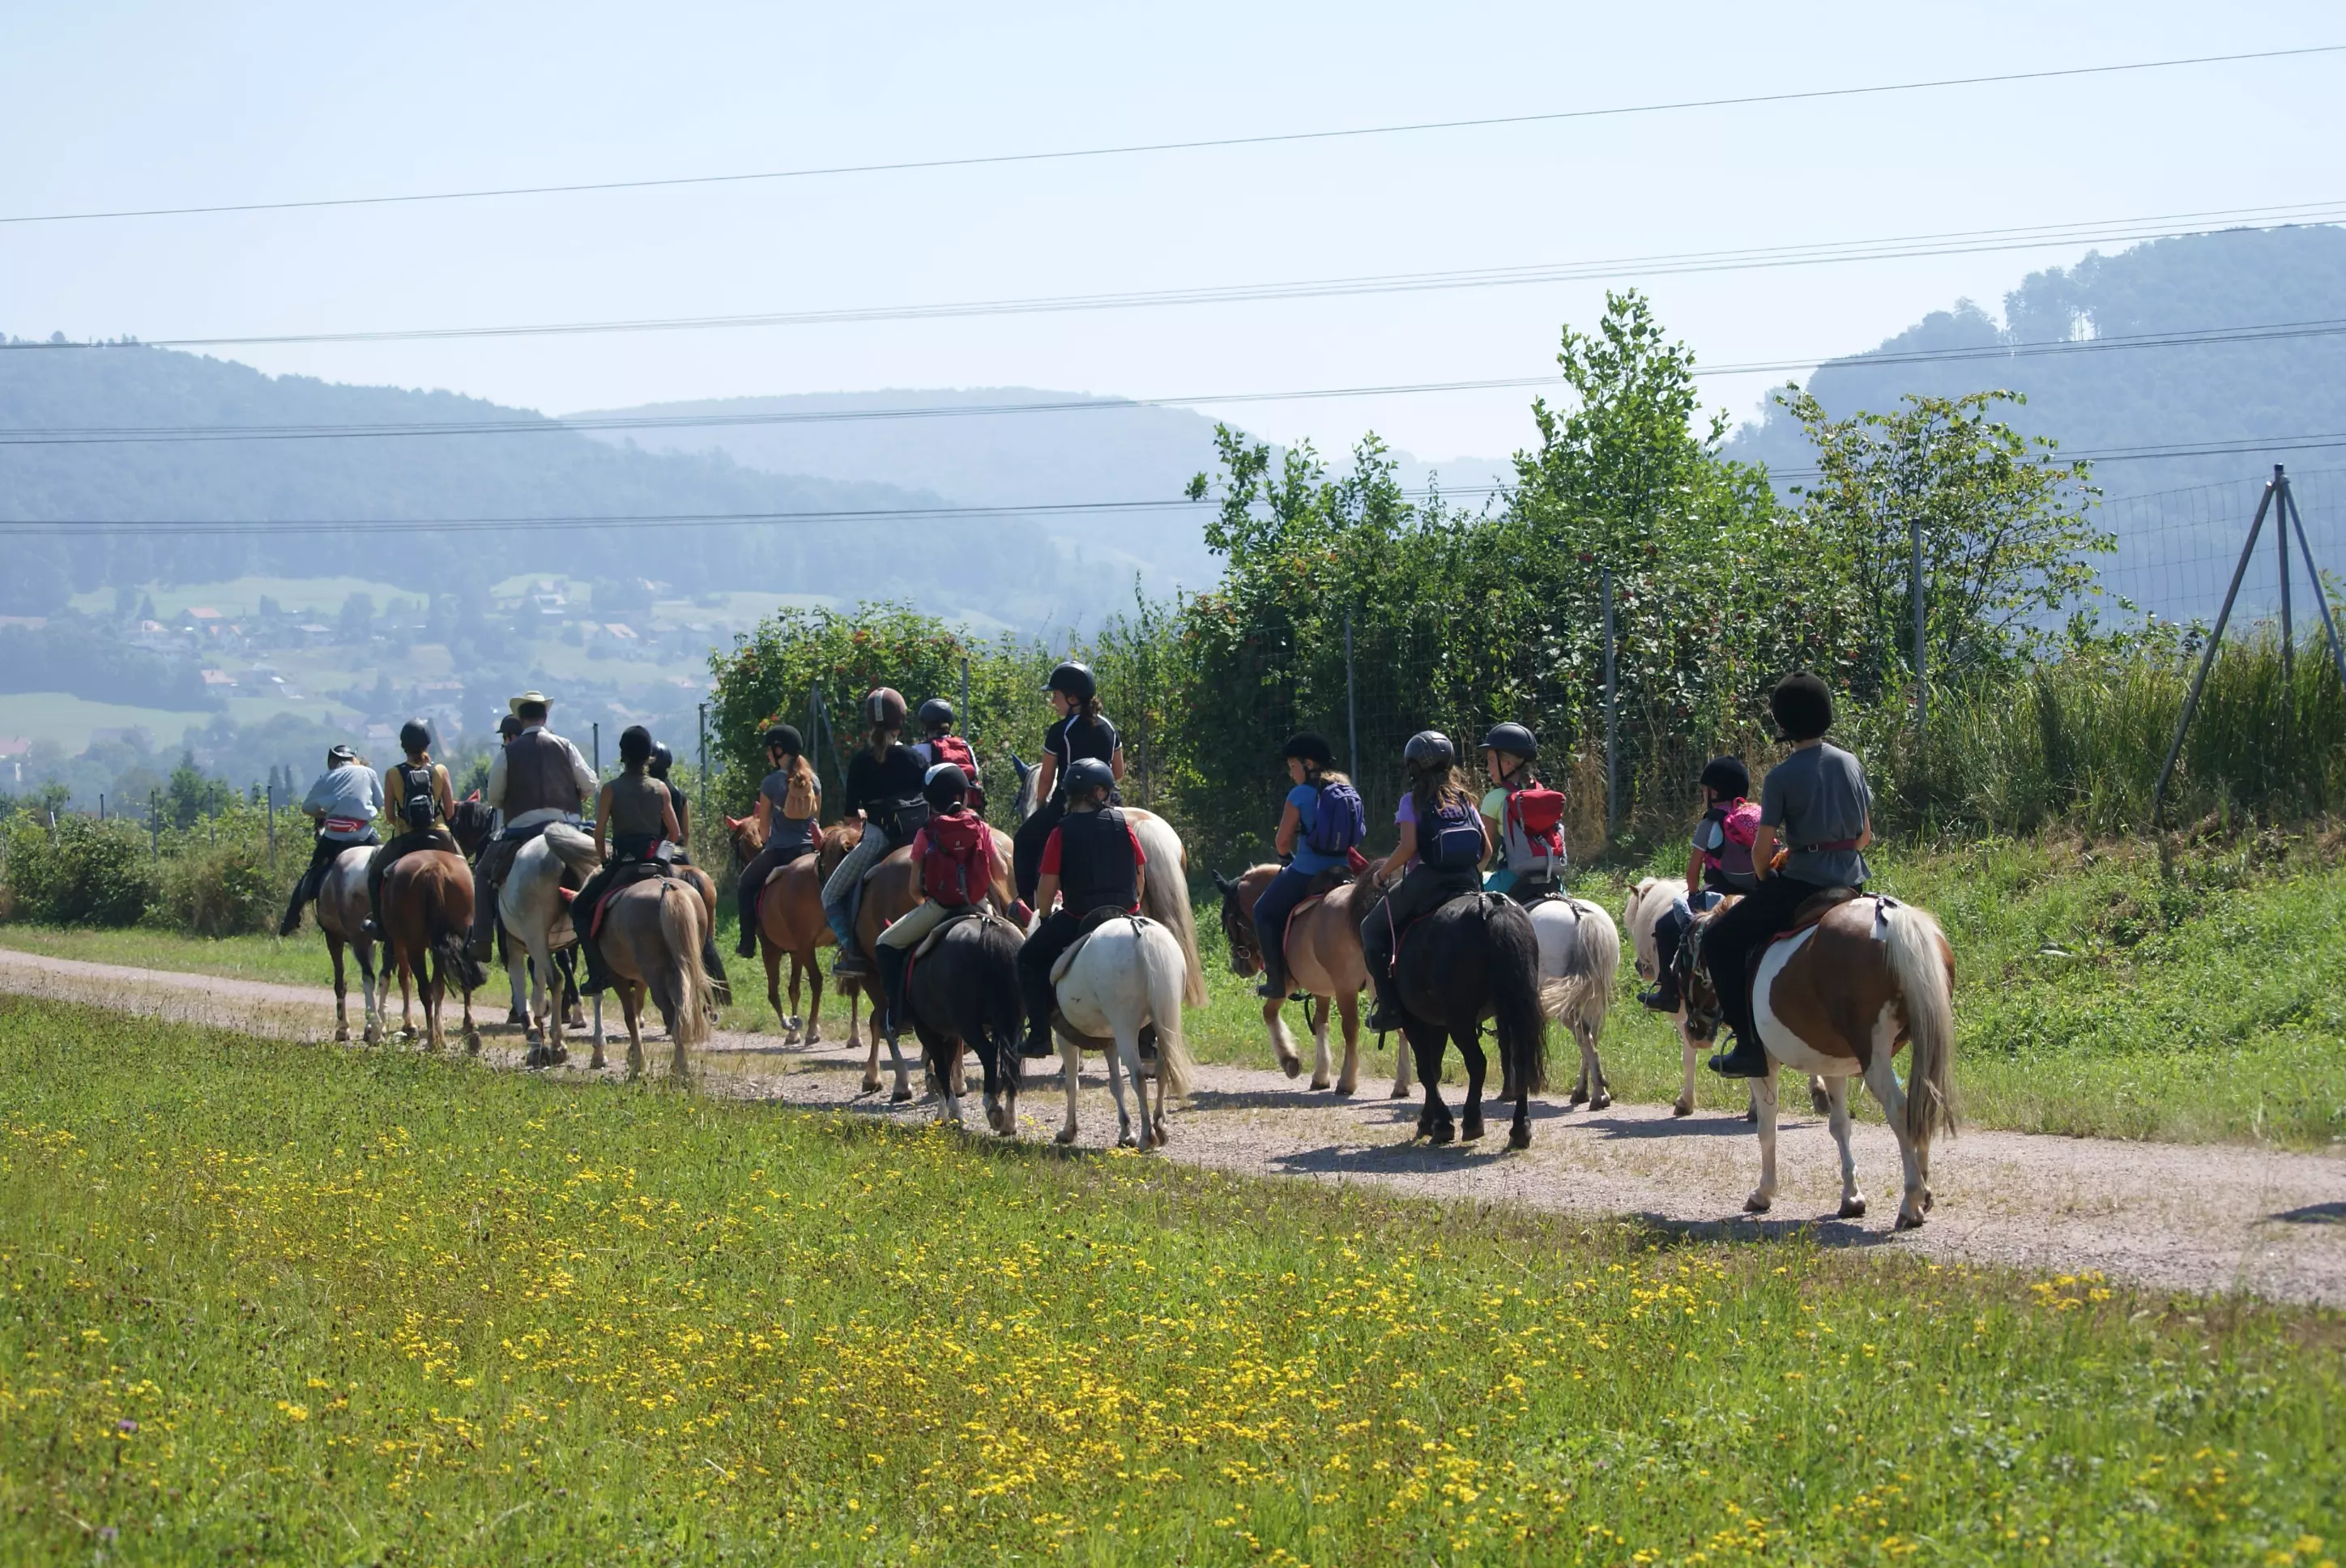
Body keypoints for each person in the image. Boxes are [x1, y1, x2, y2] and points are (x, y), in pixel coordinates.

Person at [1699, 673, 1875, 1078]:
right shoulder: (1851, 762)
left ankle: (1747, 1045)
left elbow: (1762, 852)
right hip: (1851, 883)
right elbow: (1863, 836)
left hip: (1801, 887)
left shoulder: (1780, 776)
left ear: (1782, 724)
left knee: (1718, 938)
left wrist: (1766, 876)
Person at [1016, 757, 1147, 1058]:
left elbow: (1047, 884)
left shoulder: (1061, 832)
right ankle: (1148, 1040)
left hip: (1079, 917)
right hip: (1126, 913)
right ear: (1099, 793)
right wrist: (1134, 907)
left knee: (1028, 959)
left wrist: (1046, 916)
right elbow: (1140, 874)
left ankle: (1038, 1036)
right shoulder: (1122, 825)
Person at [1359, 731, 1490, 1033]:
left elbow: (1407, 848)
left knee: (1371, 929)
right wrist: (1468, 876)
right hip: (1468, 879)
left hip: (1426, 881)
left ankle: (1389, 1007)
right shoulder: (1465, 800)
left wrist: (1380, 875)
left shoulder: (1412, 801)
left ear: (1414, 767)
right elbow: (1487, 851)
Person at [467, 692, 597, 960]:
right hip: (567, 828)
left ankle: (482, 940)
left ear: (520, 719)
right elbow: (590, 785)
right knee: (604, 867)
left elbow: (494, 797)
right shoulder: (565, 745)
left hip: (522, 830)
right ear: (545, 717)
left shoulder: (508, 754)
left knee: (482, 873)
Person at [874, 763, 994, 1041]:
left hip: (939, 907)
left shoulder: (925, 833)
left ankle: (899, 1014)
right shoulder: (980, 826)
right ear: (963, 796)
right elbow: (997, 873)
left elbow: (915, 888)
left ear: (929, 801)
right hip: (979, 905)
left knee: (885, 943)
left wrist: (927, 904)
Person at [820, 688, 929, 978]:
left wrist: (867, 815)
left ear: (870, 722)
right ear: (901, 720)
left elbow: (849, 817)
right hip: (921, 838)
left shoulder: (860, 762)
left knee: (830, 895)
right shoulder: (914, 757)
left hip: (878, 840)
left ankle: (853, 952)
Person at [1639, 756, 1758, 1012]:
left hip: (1719, 893)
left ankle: (1668, 993)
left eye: (1705, 791)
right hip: (1755, 894)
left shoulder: (1711, 822)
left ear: (1714, 792)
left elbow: (1692, 873)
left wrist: (1693, 894)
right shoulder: (1751, 818)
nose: (1703, 796)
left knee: (1664, 926)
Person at [1249, 731, 1363, 999]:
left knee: (1262, 911)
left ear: (1308, 764)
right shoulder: (1346, 789)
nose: (1291, 773)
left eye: (1293, 767)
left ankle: (1277, 980)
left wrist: (1285, 859)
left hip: (1307, 870)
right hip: (1345, 870)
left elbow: (1281, 842)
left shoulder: (1299, 794)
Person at [573, 726, 685, 995]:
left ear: (623, 755)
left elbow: (599, 835)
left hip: (623, 864)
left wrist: (604, 860)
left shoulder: (611, 790)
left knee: (579, 909)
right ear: (649, 757)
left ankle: (598, 972)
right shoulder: (661, 789)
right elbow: (675, 833)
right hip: (657, 863)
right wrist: (661, 853)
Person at [1011, 661, 1124, 915]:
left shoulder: (1059, 731)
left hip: (1069, 804)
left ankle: (1029, 906)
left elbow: (1046, 776)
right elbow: (1118, 772)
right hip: (1110, 801)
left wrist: (1040, 804)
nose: (1053, 701)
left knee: (1024, 841)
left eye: (1056, 696)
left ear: (1072, 699)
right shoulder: (1109, 727)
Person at [362, 719, 459, 937]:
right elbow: (451, 812)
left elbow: (389, 815)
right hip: (440, 835)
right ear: (428, 744)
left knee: (375, 875)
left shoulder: (393, 774)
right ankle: (475, 925)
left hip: (406, 838)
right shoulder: (441, 770)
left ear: (403, 745)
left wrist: (402, 824)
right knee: (469, 873)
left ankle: (379, 926)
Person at [734, 724, 822, 959]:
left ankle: (747, 943)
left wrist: (765, 839)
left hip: (780, 852)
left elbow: (763, 831)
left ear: (780, 750)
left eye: (770, 750)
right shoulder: (814, 781)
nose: (767, 755)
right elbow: (816, 822)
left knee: (745, 885)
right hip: (810, 851)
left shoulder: (771, 783)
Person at [280, 744, 384, 936]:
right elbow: (380, 803)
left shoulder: (327, 778)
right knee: (385, 866)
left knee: (311, 872)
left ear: (333, 762)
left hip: (334, 836)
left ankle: (291, 917)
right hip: (363, 833)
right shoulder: (369, 773)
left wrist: (326, 812)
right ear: (353, 758)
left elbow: (307, 808)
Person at [1475, 722, 1567, 902]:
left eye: (1491, 761)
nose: (1487, 768)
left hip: (1511, 878)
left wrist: (1473, 878)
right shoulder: (1543, 793)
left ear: (1507, 763)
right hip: (1552, 878)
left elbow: (1485, 850)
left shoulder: (1494, 799)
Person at [910, 697, 982, 799]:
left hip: (934, 810)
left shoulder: (918, 750)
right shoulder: (964, 745)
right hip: (965, 808)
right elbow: (976, 773)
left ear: (926, 726)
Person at [648, 742, 690, 854]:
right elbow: (686, 832)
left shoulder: (646, 792)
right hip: (674, 849)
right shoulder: (680, 795)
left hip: (651, 849)